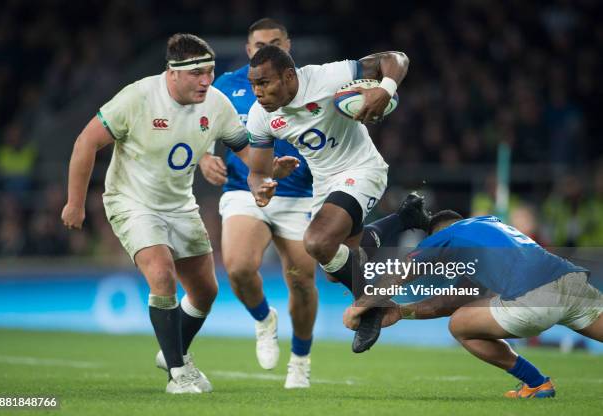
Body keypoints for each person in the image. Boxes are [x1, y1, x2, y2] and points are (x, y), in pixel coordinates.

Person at [61, 33, 297, 394]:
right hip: (132, 201)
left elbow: (246, 150)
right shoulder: (137, 98)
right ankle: (178, 371)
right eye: (198, 73)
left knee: (205, 291)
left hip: (179, 204)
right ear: (172, 72)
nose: (206, 80)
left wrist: (267, 172)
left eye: (211, 71)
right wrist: (75, 202)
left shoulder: (216, 104)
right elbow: (86, 142)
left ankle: (172, 351)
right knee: (162, 274)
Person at [245, 44, 418, 351]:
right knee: (336, 273)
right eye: (253, 85)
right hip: (324, 182)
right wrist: (263, 184)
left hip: (362, 169)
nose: (258, 92)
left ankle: (374, 306)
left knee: (317, 242)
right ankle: (404, 219)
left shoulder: (327, 77)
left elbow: (397, 59)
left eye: (264, 83)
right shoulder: (260, 116)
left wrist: (385, 89)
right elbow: (257, 171)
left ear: (287, 76)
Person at [344, 211, 603, 398]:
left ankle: (536, 383)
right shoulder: (489, 228)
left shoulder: (446, 235)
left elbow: (401, 273)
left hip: (533, 299)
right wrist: (401, 312)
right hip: (572, 281)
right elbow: (452, 300)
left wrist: (359, 306)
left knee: (459, 326)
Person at [202, 18, 317, 389]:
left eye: (276, 43)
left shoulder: (311, 84)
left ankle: (300, 358)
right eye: (260, 44)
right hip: (244, 187)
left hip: (299, 192)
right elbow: (199, 123)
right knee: (237, 267)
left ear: (288, 46)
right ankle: (264, 319)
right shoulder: (227, 87)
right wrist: (204, 156)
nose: (267, 48)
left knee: (301, 279)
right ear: (249, 50)